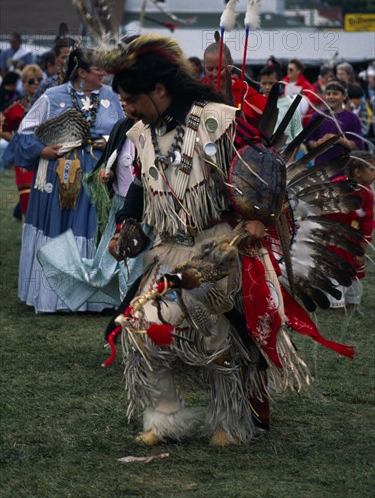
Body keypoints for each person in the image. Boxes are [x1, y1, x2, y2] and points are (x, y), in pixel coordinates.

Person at [105, 34, 318, 447]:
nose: (125, 106)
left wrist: (258, 216)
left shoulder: (217, 119)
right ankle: (165, 416)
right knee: (139, 326)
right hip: (170, 249)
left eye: (131, 98)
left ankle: (229, 420)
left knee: (218, 336)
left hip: (219, 246)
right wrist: (128, 223)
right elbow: (141, 185)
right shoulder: (142, 132)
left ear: (160, 90)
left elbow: (262, 162)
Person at [3, 47, 124, 313]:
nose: (103, 73)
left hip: (96, 181)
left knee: (92, 231)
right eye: (97, 69)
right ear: (81, 72)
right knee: (61, 231)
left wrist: (109, 142)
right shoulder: (52, 96)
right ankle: (53, 297)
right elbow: (25, 132)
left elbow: (129, 130)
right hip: (58, 180)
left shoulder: (112, 97)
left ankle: (92, 299)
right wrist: (41, 150)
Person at [326, 151, 374, 313]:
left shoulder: (367, 192)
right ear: (358, 172)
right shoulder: (337, 185)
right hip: (334, 237)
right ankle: (336, 303)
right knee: (337, 268)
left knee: (355, 268)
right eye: (372, 169)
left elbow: (368, 220)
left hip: (354, 238)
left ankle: (353, 301)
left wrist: (362, 248)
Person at [1, 64, 44, 215]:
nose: (36, 83)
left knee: (44, 197)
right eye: (31, 81)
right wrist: (19, 142)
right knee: (27, 198)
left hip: (44, 156)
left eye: (39, 80)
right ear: (24, 85)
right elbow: (3, 130)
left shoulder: (51, 105)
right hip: (24, 160)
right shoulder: (15, 109)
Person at [202, 40, 267, 126]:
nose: (215, 74)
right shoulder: (199, 90)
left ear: (231, 65)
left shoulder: (246, 94)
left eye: (220, 69)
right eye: (210, 69)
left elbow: (269, 119)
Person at [307, 79, 364, 166]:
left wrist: (338, 139)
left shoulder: (352, 118)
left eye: (335, 93)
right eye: (328, 93)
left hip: (344, 167)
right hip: (320, 167)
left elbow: (358, 146)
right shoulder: (317, 116)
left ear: (344, 96)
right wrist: (317, 144)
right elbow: (310, 141)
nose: (331, 96)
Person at [259, 57, 302, 143]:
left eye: (271, 83)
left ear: (280, 82)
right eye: (264, 83)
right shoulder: (257, 102)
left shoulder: (289, 104)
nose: (267, 87)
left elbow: (298, 135)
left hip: (283, 152)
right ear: (259, 83)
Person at [29, 37, 76, 107]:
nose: (68, 61)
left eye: (72, 57)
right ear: (56, 58)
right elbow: (30, 114)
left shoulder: (87, 85)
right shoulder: (47, 85)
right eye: (64, 57)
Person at [283, 58, 317, 125]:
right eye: (288, 69)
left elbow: (311, 101)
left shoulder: (306, 86)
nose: (288, 71)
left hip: (301, 120)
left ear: (298, 71)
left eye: (291, 70)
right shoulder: (283, 83)